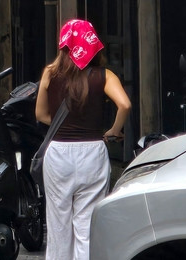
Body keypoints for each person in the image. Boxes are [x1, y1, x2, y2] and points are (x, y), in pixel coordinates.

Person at [34, 19, 131, 260]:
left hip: (57, 154)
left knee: (58, 224)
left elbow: (41, 115)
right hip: (92, 153)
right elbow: (125, 104)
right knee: (87, 225)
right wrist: (113, 130)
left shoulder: (50, 72)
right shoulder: (104, 75)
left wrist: (63, 124)